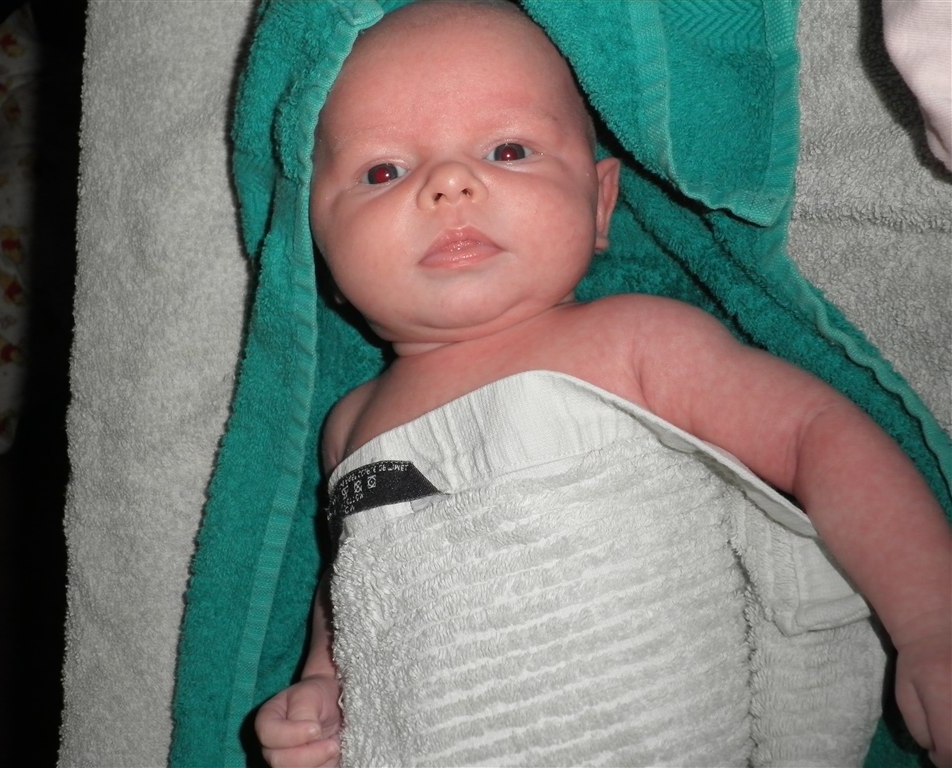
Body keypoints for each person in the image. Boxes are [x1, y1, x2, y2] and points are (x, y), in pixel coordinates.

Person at [256, 1, 952, 766]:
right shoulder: (350, 426)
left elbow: (818, 436)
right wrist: (323, 686)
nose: (449, 183)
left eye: (509, 150)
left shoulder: (634, 341)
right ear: (321, 252)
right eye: (384, 171)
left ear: (600, 203)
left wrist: (930, 622)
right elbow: (361, 585)